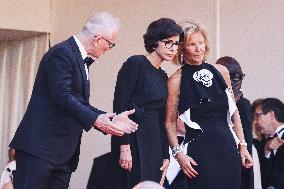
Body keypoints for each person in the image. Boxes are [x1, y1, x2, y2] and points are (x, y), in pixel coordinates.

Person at [9, 12, 138, 189]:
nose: (109, 48)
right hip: (40, 150)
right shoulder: (62, 53)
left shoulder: (79, 58)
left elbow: (78, 103)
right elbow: (62, 96)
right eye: (110, 43)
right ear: (98, 39)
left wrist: (107, 118)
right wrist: (95, 120)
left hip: (62, 154)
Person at [165, 20, 253, 189]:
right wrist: (178, 154)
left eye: (201, 43)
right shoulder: (176, 80)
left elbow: (234, 112)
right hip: (200, 150)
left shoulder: (221, 71)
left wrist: (243, 145)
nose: (198, 48)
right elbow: (169, 123)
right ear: (181, 48)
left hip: (228, 147)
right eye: (192, 44)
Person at [111, 18, 183, 189]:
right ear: (154, 41)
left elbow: (162, 118)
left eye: (176, 44)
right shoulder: (135, 63)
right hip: (133, 136)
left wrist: (166, 155)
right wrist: (124, 146)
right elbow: (120, 105)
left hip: (154, 142)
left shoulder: (163, 76)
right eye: (168, 43)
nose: (173, 48)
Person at [216, 56, 253, 189]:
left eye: (238, 76)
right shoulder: (217, 102)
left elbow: (245, 141)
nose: (236, 81)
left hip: (238, 164)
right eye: (232, 76)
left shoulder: (243, 106)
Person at [254, 98, 284, 189]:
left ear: (271, 115)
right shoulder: (263, 144)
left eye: (257, 116)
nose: (255, 122)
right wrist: (266, 149)